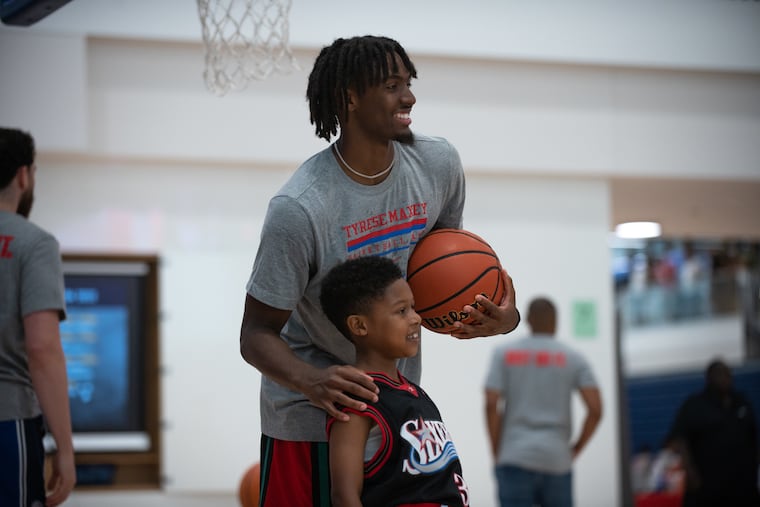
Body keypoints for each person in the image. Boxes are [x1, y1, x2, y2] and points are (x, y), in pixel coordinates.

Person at [239, 35, 519, 506]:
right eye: (391, 85)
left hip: (398, 411)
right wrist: (311, 380)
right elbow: (254, 334)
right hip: (309, 417)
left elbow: (442, 282)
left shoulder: (437, 164)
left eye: (407, 83)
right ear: (350, 96)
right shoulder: (301, 207)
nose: (408, 96)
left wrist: (498, 318)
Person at [320, 255, 470, 506]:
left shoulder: (414, 392)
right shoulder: (358, 399)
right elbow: (344, 496)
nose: (416, 318)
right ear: (359, 325)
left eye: (413, 307)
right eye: (401, 310)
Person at [0, 128, 76, 506]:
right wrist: (64, 448)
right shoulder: (33, 243)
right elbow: (42, 347)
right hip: (7, 419)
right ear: (23, 175)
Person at [484, 296, 602, 507]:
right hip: (557, 459)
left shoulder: (503, 353)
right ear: (556, 321)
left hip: (514, 456)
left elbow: (491, 404)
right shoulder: (574, 358)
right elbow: (595, 410)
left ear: (528, 320)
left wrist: (497, 451)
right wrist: (574, 450)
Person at [665, 359, 760, 507]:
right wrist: (690, 472)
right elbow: (678, 439)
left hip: (742, 485)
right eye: (719, 374)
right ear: (709, 378)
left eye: (728, 374)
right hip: (708, 487)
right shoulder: (695, 405)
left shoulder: (741, 401)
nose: (725, 378)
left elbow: (753, 436)